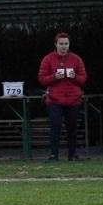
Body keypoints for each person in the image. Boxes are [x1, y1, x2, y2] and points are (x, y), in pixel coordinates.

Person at [38, 32, 88, 161]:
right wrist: (54, 77)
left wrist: (74, 77)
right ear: (56, 44)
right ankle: (54, 154)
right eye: (61, 44)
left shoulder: (76, 59)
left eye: (66, 44)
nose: (64, 46)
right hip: (54, 99)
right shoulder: (48, 59)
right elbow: (42, 79)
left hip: (73, 99)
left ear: (69, 44)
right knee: (55, 127)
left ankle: (72, 154)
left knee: (72, 128)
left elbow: (83, 79)